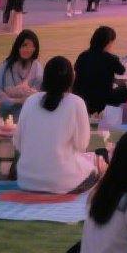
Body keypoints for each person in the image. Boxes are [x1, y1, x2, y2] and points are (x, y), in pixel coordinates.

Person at [15, 56, 104, 194]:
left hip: (26, 180)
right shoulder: (76, 103)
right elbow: (81, 146)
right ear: (71, 78)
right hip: (63, 182)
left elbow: (18, 143)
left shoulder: (31, 101)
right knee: (99, 166)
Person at [74, 25, 127, 115]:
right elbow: (121, 70)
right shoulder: (110, 58)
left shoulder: (83, 56)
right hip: (103, 99)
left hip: (82, 98)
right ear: (108, 43)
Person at [0, 29, 43, 117]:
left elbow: (37, 94)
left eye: (32, 46)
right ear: (18, 46)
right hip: (5, 111)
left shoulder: (37, 67)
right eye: (24, 45)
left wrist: (17, 94)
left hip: (28, 112)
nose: (28, 50)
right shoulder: (5, 66)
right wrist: (17, 100)